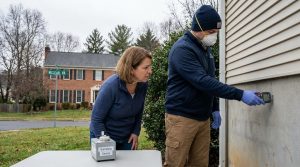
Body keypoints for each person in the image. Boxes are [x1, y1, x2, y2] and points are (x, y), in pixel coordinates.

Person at [164, 5, 265, 167]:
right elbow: (203, 82)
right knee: (175, 163)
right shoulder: (183, 50)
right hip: (182, 119)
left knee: (200, 164)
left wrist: (215, 108)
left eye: (217, 32)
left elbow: (210, 79)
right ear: (199, 28)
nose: (214, 36)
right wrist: (240, 94)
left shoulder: (205, 49)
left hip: (203, 118)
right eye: (211, 32)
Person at [90, 46, 152, 150]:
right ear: (131, 69)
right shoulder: (110, 86)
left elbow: (139, 112)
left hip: (127, 139)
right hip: (103, 137)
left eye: (150, 67)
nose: (150, 71)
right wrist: (106, 145)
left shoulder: (143, 85)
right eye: (146, 68)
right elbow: (96, 120)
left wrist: (135, 132)